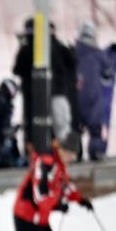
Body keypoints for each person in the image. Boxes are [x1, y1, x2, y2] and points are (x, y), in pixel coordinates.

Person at [13, 18, 79, 152]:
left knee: (34, 126)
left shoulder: (27, 48)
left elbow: (17, 69)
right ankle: (62, 153)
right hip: (58, 92)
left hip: (33, 97)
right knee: (60, 127)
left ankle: (34, 153)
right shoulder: (58, 46)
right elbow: (72, 62)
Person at [74, 20, 114, 161]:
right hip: (93, 96)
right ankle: (95, 153)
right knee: (95, 128)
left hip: (75, 94)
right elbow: (108, 73)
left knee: (75, 128)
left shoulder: (73, 51)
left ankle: (75, 154)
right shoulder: (98, 53)